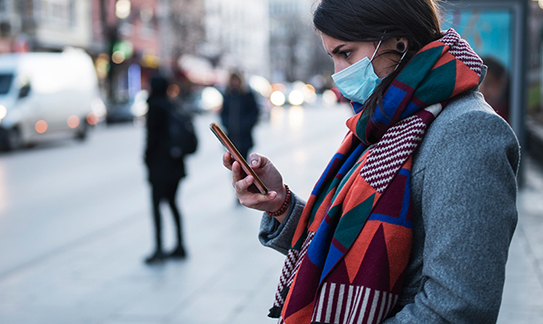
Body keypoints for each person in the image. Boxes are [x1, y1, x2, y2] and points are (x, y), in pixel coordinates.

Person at [221, 0, 520, 323]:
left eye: (345, 53)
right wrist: (281, 205)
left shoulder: (468, 131)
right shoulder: (386, 120)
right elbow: (346, 241)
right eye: (332, 56)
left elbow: (457, 309)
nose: (338, 73)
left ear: (399, 44)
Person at [144, 75, 187, 264]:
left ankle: (159, 248)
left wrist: (146, 159)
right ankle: (180, 244)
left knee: (156, 206)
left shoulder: (154, 106)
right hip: (175, 164)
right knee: (172, 203)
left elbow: (151, 138)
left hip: (160, 166)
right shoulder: (172, 105)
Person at [220, 72, 259, 161]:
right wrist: (228, 125)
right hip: (231, 136)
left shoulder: (247, 95)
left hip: (244, 136)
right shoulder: (227, 96)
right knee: (234, 163)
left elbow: (254, 113)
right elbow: (223, 113)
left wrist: (246, 125)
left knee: (244, 161)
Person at [480, 56, 510, 122]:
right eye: (477, 84)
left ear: (501, 83)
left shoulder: (510, 115)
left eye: (487, 84)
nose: (481, 90)